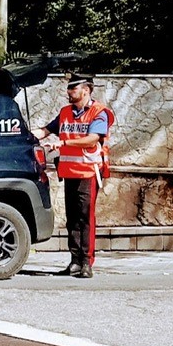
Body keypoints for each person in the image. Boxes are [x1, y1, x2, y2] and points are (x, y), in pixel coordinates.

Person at [32, 74, 115, 279]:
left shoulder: (98, 113)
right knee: (73, 220)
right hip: (69, 174)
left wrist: (64, 143)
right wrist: (23, 133)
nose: (68, 92)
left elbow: (92, 139)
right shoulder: (65, 112)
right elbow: (45, 131)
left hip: (88, 173)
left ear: (85, 90)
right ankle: (75, 261)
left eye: (73, 88)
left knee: (86, 219)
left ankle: (87, 262)